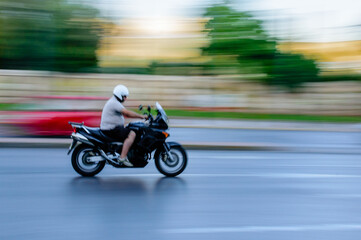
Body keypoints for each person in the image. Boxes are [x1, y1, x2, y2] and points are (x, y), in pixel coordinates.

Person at [100, 85, 147, 167]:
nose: (125, 98)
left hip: (112, 128)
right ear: (119, 95)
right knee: (132, 134)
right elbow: (127, 113)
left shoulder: (114, 101)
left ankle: (124, 153)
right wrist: (141, 116)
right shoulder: (114, 103)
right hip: (111, 129)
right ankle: (123, 157)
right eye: (124, 96)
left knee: (131, 129)